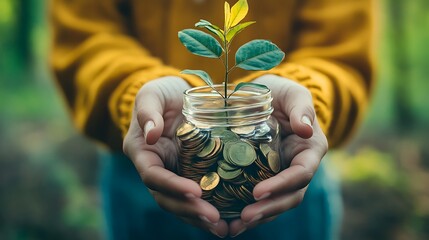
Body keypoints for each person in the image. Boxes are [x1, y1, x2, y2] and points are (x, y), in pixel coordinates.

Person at [50, 0, 374, 239]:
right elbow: (85, 39)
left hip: (288, 167)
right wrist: (134, 93)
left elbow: (340, 50)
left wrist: (307, 96)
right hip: (144, 164)